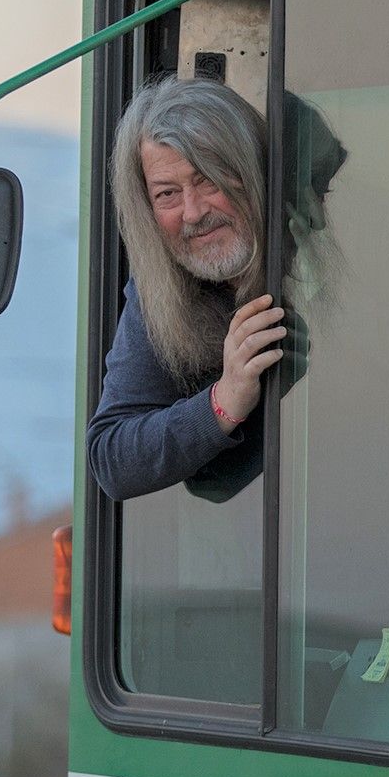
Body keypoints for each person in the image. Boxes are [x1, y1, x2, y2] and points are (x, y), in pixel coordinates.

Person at [87, 76, 289, 502]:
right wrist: (224, 400)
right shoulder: (161, 288)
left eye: (209, 180)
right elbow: (112, 458)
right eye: (167, 194)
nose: (193, 212)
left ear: (252, 171)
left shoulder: (313, 249)